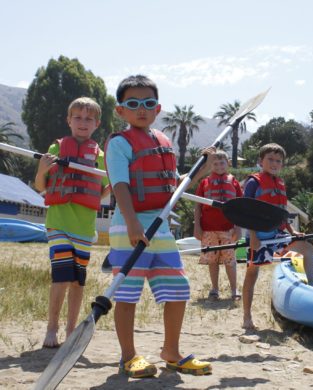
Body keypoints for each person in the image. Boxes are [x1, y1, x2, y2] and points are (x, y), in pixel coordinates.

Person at [105, 75, 214, 378]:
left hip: (161, 228)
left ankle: (171, 352)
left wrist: (202, 167)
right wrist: (131, 224)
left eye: (148, 103)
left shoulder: (163, 142)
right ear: (121, 110)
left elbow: (176, 186)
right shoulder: (119, 143)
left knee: (177, 289)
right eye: (133, 104)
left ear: (158, 108)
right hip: (129, 227)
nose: (142, 109)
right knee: (127, 293)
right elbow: (120, 186)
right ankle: (129, 356)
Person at [35, 97, 110, 348]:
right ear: (69, 120)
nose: (82, 122)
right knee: (61, 276)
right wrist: (42, 170)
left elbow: (100, 192)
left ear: (97, 124)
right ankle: (51, 330)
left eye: (88, 119)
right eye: (77, 117)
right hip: (58, 223)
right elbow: (40, 187)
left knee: (77, 280)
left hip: (84, 227)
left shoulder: (100, 157)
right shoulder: (56, 149)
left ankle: (70, 331)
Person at [242, 143, 313, 330]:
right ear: (261, 161)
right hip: (258, 235)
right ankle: (246, 317)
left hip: (277, 234)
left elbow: (282, 214)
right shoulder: (253, 182)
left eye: (278, 161)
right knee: (252, 274)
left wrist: (293, 233)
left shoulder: (280, 183)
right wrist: (253, 237)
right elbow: (246, 212)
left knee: (308, 249)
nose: (274, 164)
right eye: (270, 160)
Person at [194, 150, 243, 301]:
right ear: (210, 166)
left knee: (230, 260)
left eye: (222, 163)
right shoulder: (204, 183)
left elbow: (240, 206)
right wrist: (197, 226)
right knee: (212, 260)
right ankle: (214, 289)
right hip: (208, 229)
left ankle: (234, 290)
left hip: (228, 229)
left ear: (227, 164)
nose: (219, 166)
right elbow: (197, 206)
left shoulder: (234, 182)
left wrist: (238, 227)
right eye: (215, 163)